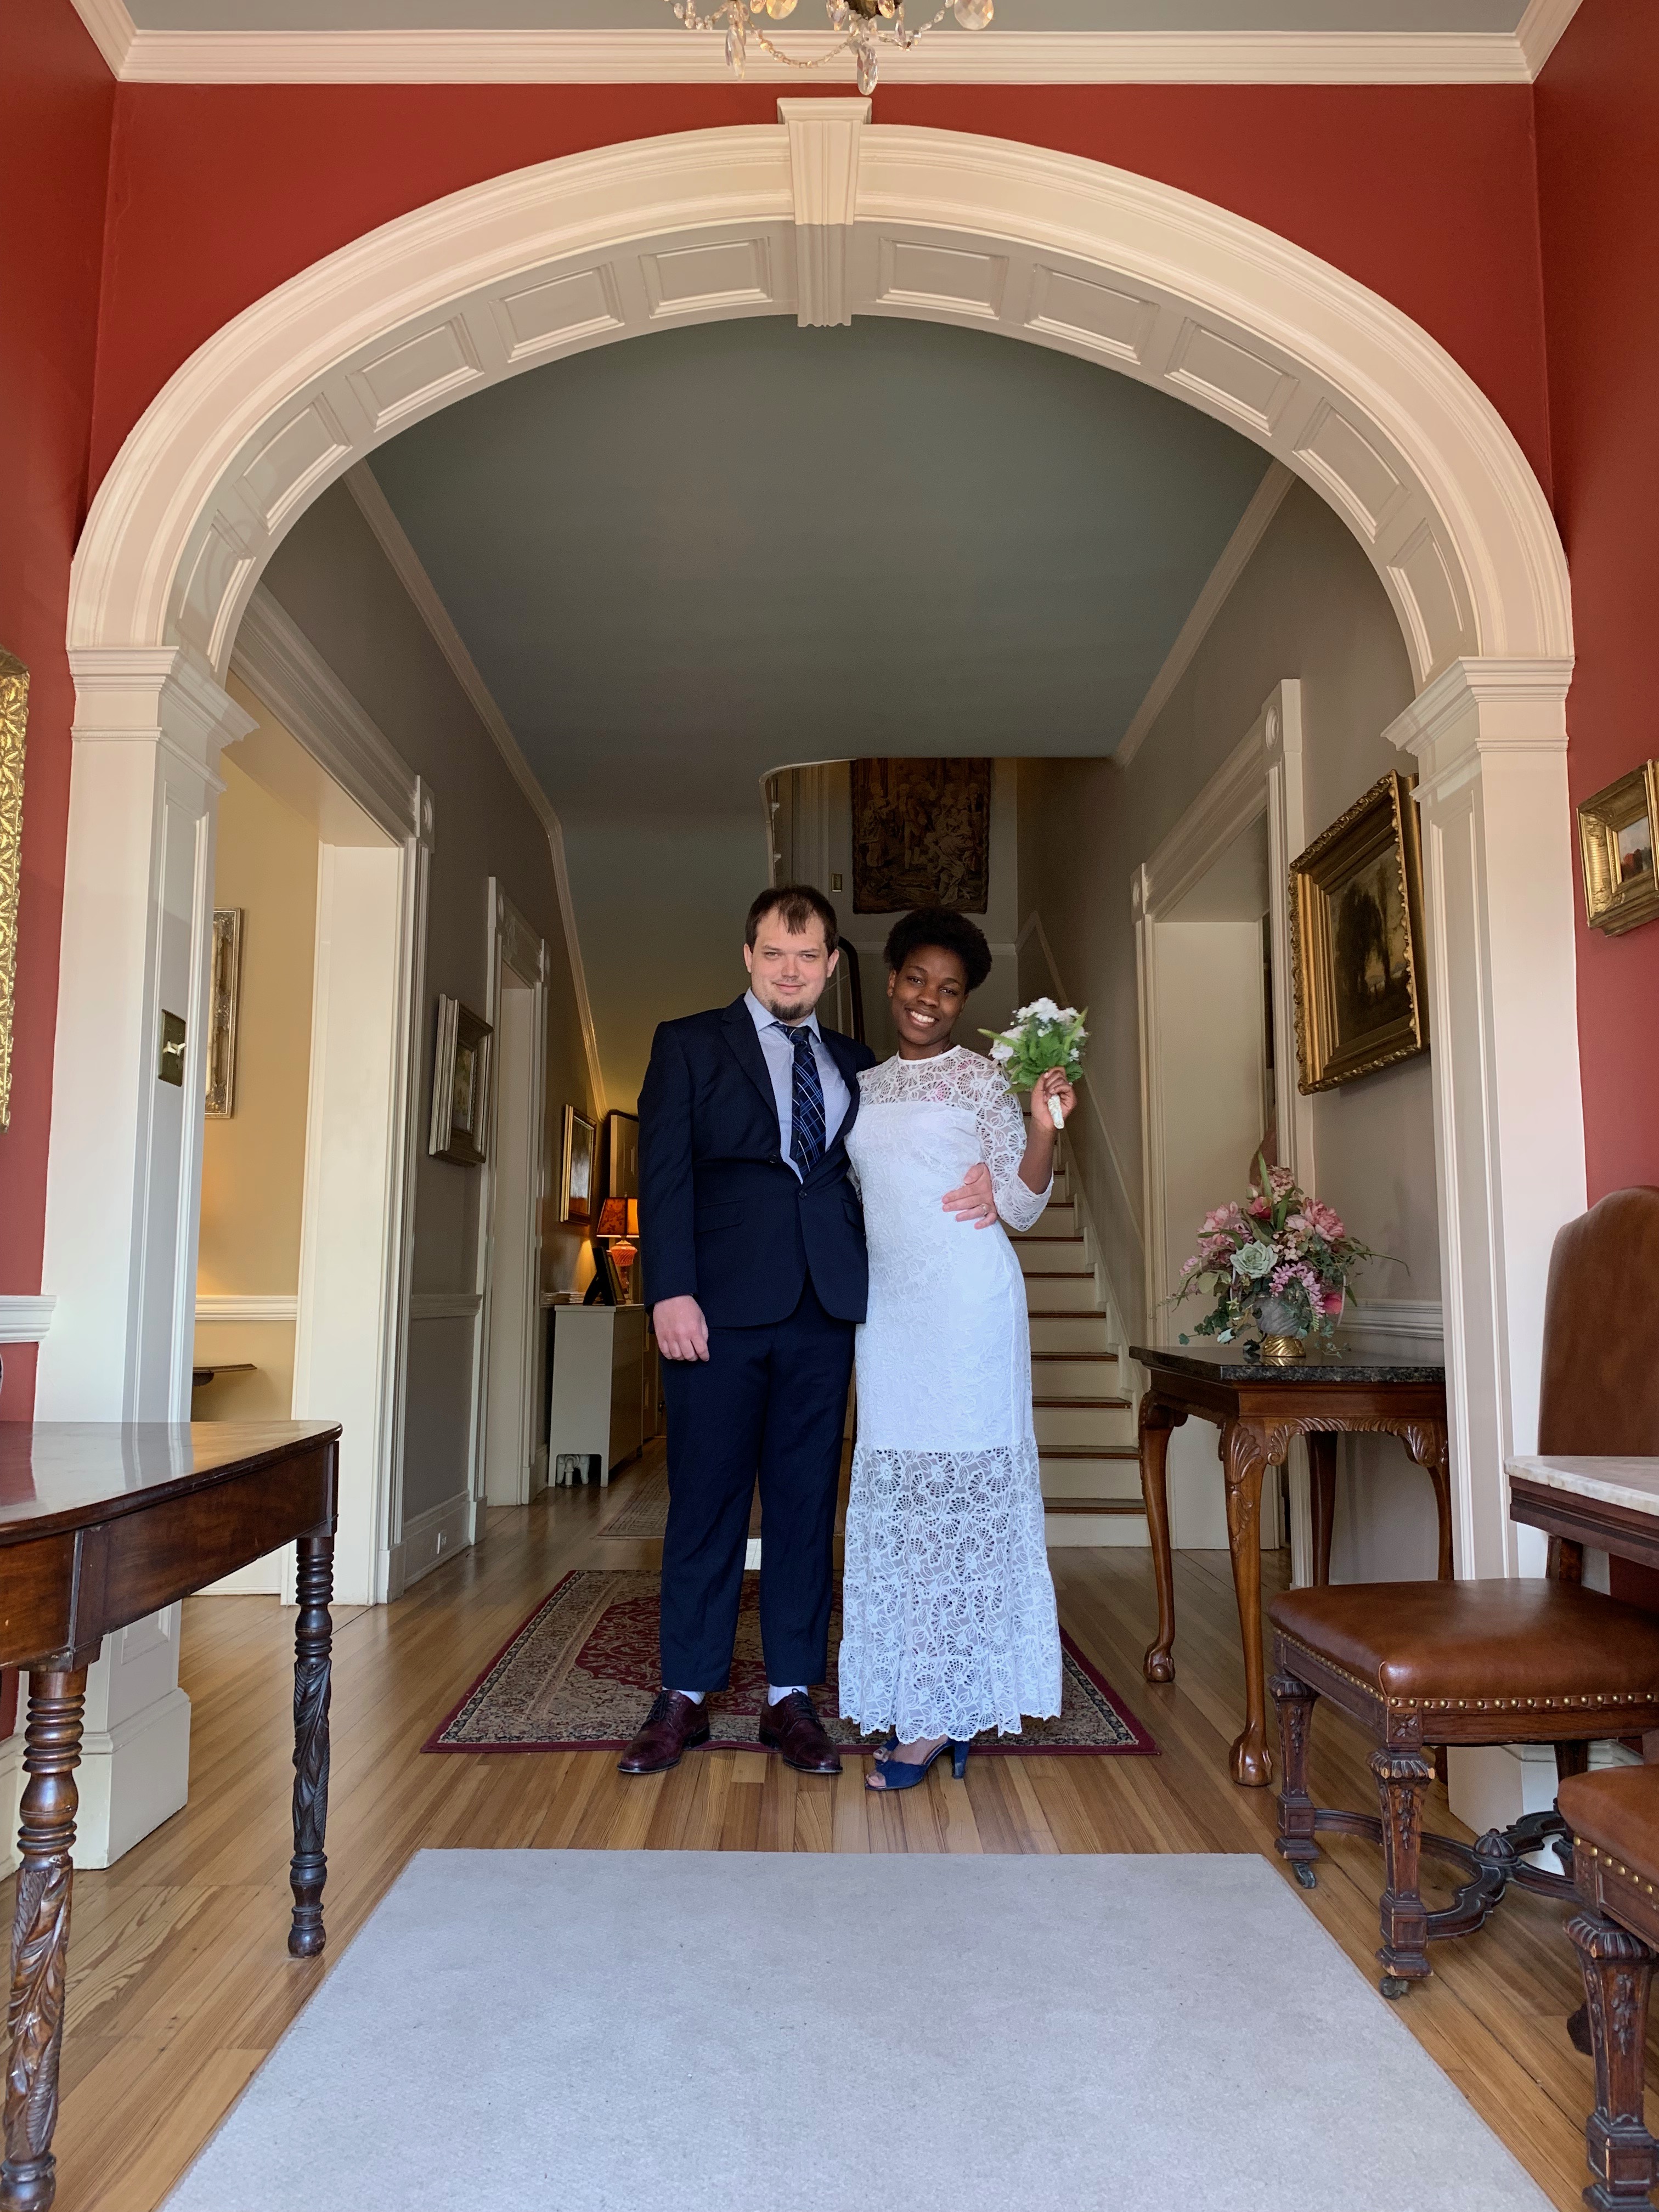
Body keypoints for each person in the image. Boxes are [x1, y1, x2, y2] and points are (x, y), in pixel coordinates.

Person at [618, 885, 998, 1779]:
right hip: (713, 1313)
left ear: (831, 965)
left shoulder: (859, 1063)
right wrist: (669, 1291)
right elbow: (662, 1173)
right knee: (705, 1499)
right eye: (774, 954)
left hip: (825, 1312)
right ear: (748, 958)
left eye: (807, 956)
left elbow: (902, 1166)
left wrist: (990, 1177)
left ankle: (790, 1696)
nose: (790, 971)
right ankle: (685, 1694)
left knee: (803, 1506)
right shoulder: (688, 1043)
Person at [838, 908, 1072, 1790]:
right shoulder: (861, 1085)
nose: (928, 1000)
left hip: (969, 1312)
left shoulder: (983, 1080)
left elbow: (1021, 1206)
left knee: (961, 1511)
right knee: (907, 1511)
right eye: (916, 980)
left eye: (949, 989)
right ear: (891, 979)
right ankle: (929, 1695)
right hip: (891, 1318)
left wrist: (1043, 1127)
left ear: (964, 1000)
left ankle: (940, 1716)